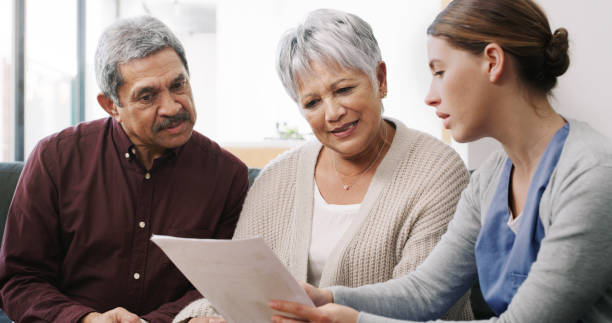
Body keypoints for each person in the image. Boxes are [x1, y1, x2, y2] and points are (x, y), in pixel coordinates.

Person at [268, 0, 612, 322]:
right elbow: (425, 291)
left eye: (440, 72)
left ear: (492, 61)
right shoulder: (490, 180)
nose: (430, 97)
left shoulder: (591, 176)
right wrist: (327, 298)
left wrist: (357, 320)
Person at [174, 9, 472, 323]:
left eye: (344, 90)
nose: (332, 113)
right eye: (312, 103)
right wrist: (200, 319)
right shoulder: (277, 177)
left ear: (380, 79)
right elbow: (235, 290)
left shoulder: (437, 171)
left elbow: (427, 305)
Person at [0, 16, 249, 323]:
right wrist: (86, 319)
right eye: (147, 96)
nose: (172, 107)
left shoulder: (227, 176)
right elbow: (20, 280)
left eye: (178, 84)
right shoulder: (55, 159)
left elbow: (218, 284)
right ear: (111, 106)